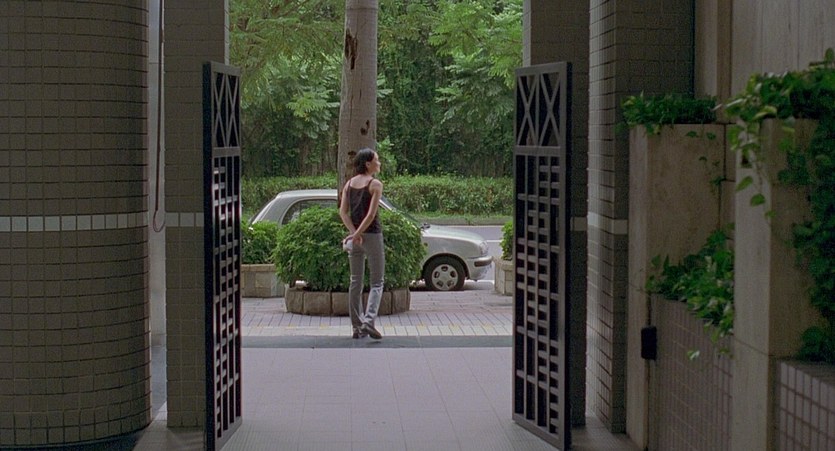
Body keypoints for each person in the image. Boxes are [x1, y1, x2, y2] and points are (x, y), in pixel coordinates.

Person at [339, 148, 385, 340]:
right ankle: (368, 321)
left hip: (355, 239)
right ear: (368, 163)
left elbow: (343, 212)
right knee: (377, 282)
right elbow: (371, 214)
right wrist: (358, 234)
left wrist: (353, 234)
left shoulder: (349, 184)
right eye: (377, 160)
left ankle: (356, 327)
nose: (379, 163)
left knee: (355, 281)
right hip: (372, 235)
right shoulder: (375, 184)